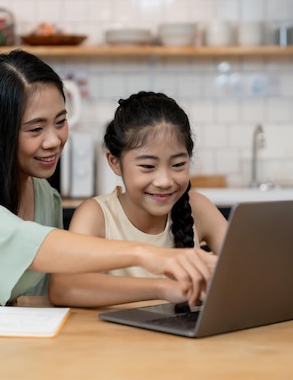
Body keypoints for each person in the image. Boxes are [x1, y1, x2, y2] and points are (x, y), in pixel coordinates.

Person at [0, 50, 217, 306]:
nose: (54, 140)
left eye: (60, 121)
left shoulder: (43, 192)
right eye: (35, 129)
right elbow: (30, 245)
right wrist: (149, 255)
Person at [49, 91, 228, 308]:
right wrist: (162, 288)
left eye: (178, 165)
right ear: (114, 162)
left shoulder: (198, 207)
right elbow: (64, 288)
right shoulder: (96, 215)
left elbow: (249, 267)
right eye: (148, 167)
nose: (164, 181)